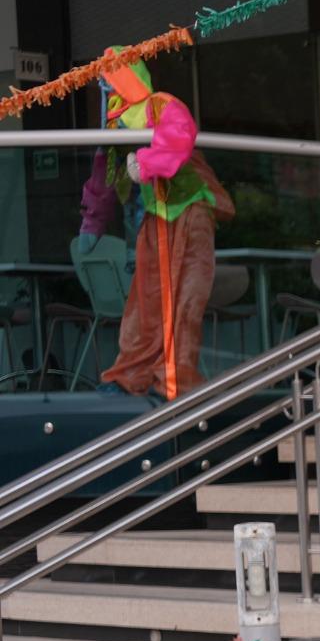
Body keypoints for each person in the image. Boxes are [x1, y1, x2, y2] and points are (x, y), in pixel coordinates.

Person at [96, 61, 233, 399]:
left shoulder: (161, 104)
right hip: (155, 216)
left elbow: (179, 136)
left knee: (186, 299)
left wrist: (145, 163)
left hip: (189, 208)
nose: (106, 89)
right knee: (146, 301)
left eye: (110, 80)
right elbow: (106, 173)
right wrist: (94, 219)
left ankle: (174, 377)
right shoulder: (116, 119)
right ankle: (132, 375)